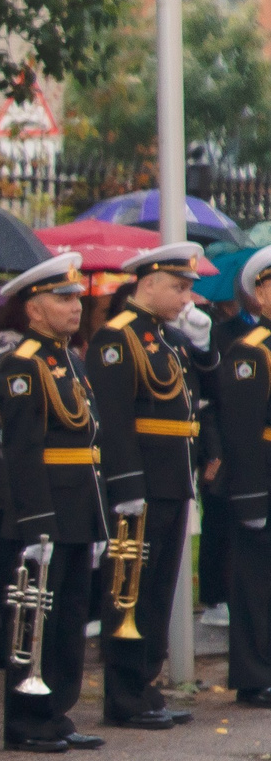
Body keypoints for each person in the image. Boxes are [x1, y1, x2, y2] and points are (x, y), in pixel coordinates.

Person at [90, 243, 216, 730]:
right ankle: (123, 694)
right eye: (179, 287)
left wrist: (204, 351)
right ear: (148, 283)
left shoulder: (168, 338)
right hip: (139, 477)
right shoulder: (116, 337)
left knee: (159, 587)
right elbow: (116, 419)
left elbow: (202, 400)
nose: (187, 298)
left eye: (188, 288)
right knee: (129, 589)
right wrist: (125, 483)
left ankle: (146, 685)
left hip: (171, 477)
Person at [0, 252, 107, 753]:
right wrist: (36, 524)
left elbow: (88, 442)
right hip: (45, 508)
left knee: (70, 612)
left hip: (79, 504)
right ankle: (26, 718)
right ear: (33, 309)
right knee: (35, 612)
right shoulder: (22, 366)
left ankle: (57, 710)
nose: (74, 306)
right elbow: (22, 452)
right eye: (62, 298)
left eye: (76, 297)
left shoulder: (69, 361)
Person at [217, 252, 271, 708]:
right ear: (260, 294)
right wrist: (251, 496)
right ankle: (255, 675)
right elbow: (242, 429)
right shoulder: (250, 351)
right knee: (256, 580)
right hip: (264, 479)